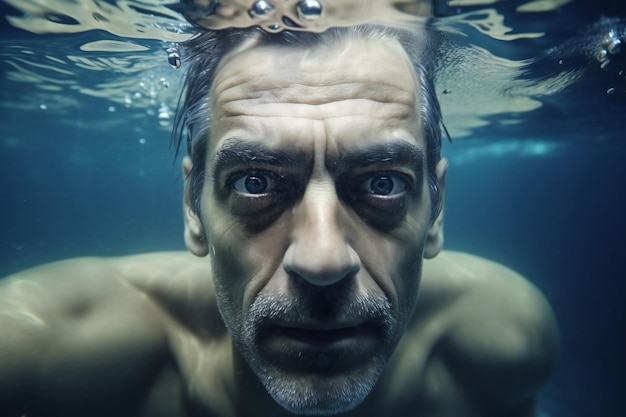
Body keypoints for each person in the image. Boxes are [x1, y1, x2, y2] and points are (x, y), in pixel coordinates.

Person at [0, 20, 559, 417]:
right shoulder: (40, 344)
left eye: (383, 183)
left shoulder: (505, 340)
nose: (321, 261)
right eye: (255, 182)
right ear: (194, 210)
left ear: (436, 210)